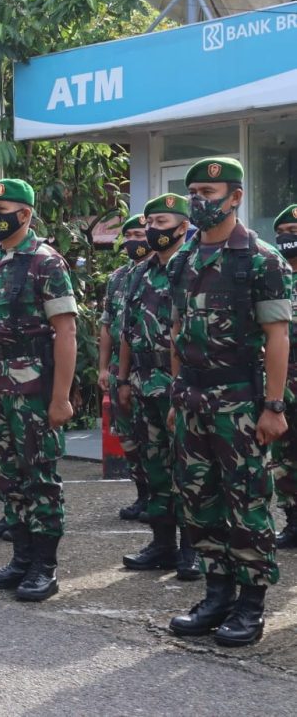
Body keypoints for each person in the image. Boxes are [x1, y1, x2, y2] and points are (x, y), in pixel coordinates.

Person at [166, 157, 290, 647]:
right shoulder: (183, 259)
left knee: (247, 502)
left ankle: (251, 604)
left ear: (235, 197)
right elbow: (176, 332)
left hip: (239, 400)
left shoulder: (259, 259)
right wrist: (177, 394)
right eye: (194, 190)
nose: (200, 199)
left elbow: (278, 336)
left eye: (210, 192)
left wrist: (274, 407)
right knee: (198, 500)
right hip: (192, 397)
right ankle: (216, 593)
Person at [0, 178, 77, 603]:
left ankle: (44, 567)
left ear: (26, 214)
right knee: (6, 474)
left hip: (34, 385)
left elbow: (66, 331)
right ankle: (20, 559)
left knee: (40, 475)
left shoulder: (46, 262)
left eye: (4, 209)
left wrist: (61, 397)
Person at [116, 195, 200, 580]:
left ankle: (192, 550)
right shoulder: (139, 273)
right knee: (155, 470)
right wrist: (121, 378)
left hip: (181, 384)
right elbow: (127, 332)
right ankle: (162, 544)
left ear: (182, 226)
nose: (151, 229)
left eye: (161, 221)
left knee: (190, 470)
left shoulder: (195, 266)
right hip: (144, 382)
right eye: (149, 222)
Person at [102, 215, 152, 522]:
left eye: (140, 233)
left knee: (155, 438)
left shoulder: (167, 271)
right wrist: (102, 368)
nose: (135, 239)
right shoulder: (118, 278)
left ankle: (162, 501)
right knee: (129, 437)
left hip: (152, 371)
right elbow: (108, 327)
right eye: (130, 234)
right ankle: (143, 494)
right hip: (120, 370)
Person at [271, 204, 297, 549]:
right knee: (284, 457)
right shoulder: (272, 275)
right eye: (288, 232)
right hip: (283, 381)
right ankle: (293, 522)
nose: (292, 238)